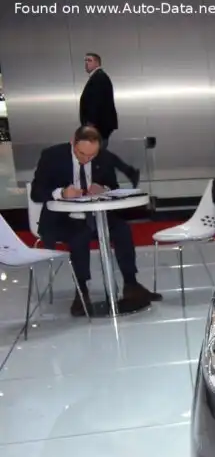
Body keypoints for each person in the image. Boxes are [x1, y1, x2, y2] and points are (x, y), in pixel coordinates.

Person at [30, 125, 162, 317]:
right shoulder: (52, 156)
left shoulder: (103, 157)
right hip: (62, 219)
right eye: (81, 154)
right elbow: (36, 192)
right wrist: (61, 193)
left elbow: (113, 187)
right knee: (79, 235)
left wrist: (104, 189)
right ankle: (81, 291)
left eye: (91, 155)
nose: (86, 159)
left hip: (97, 215)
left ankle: (131, 284)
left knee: (122, 230)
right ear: (73, 143)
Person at [79, 52, 140, 186]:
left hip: (98, 125)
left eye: (89, 60)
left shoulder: (99, 78)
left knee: (98, 154)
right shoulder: (98, 77)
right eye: (85, 61)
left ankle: (117, 179)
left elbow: (97, 102)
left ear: (97, 63)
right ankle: (126, 175)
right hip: (100, 124)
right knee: (100, 155)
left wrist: (91, 124)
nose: (86, 63)